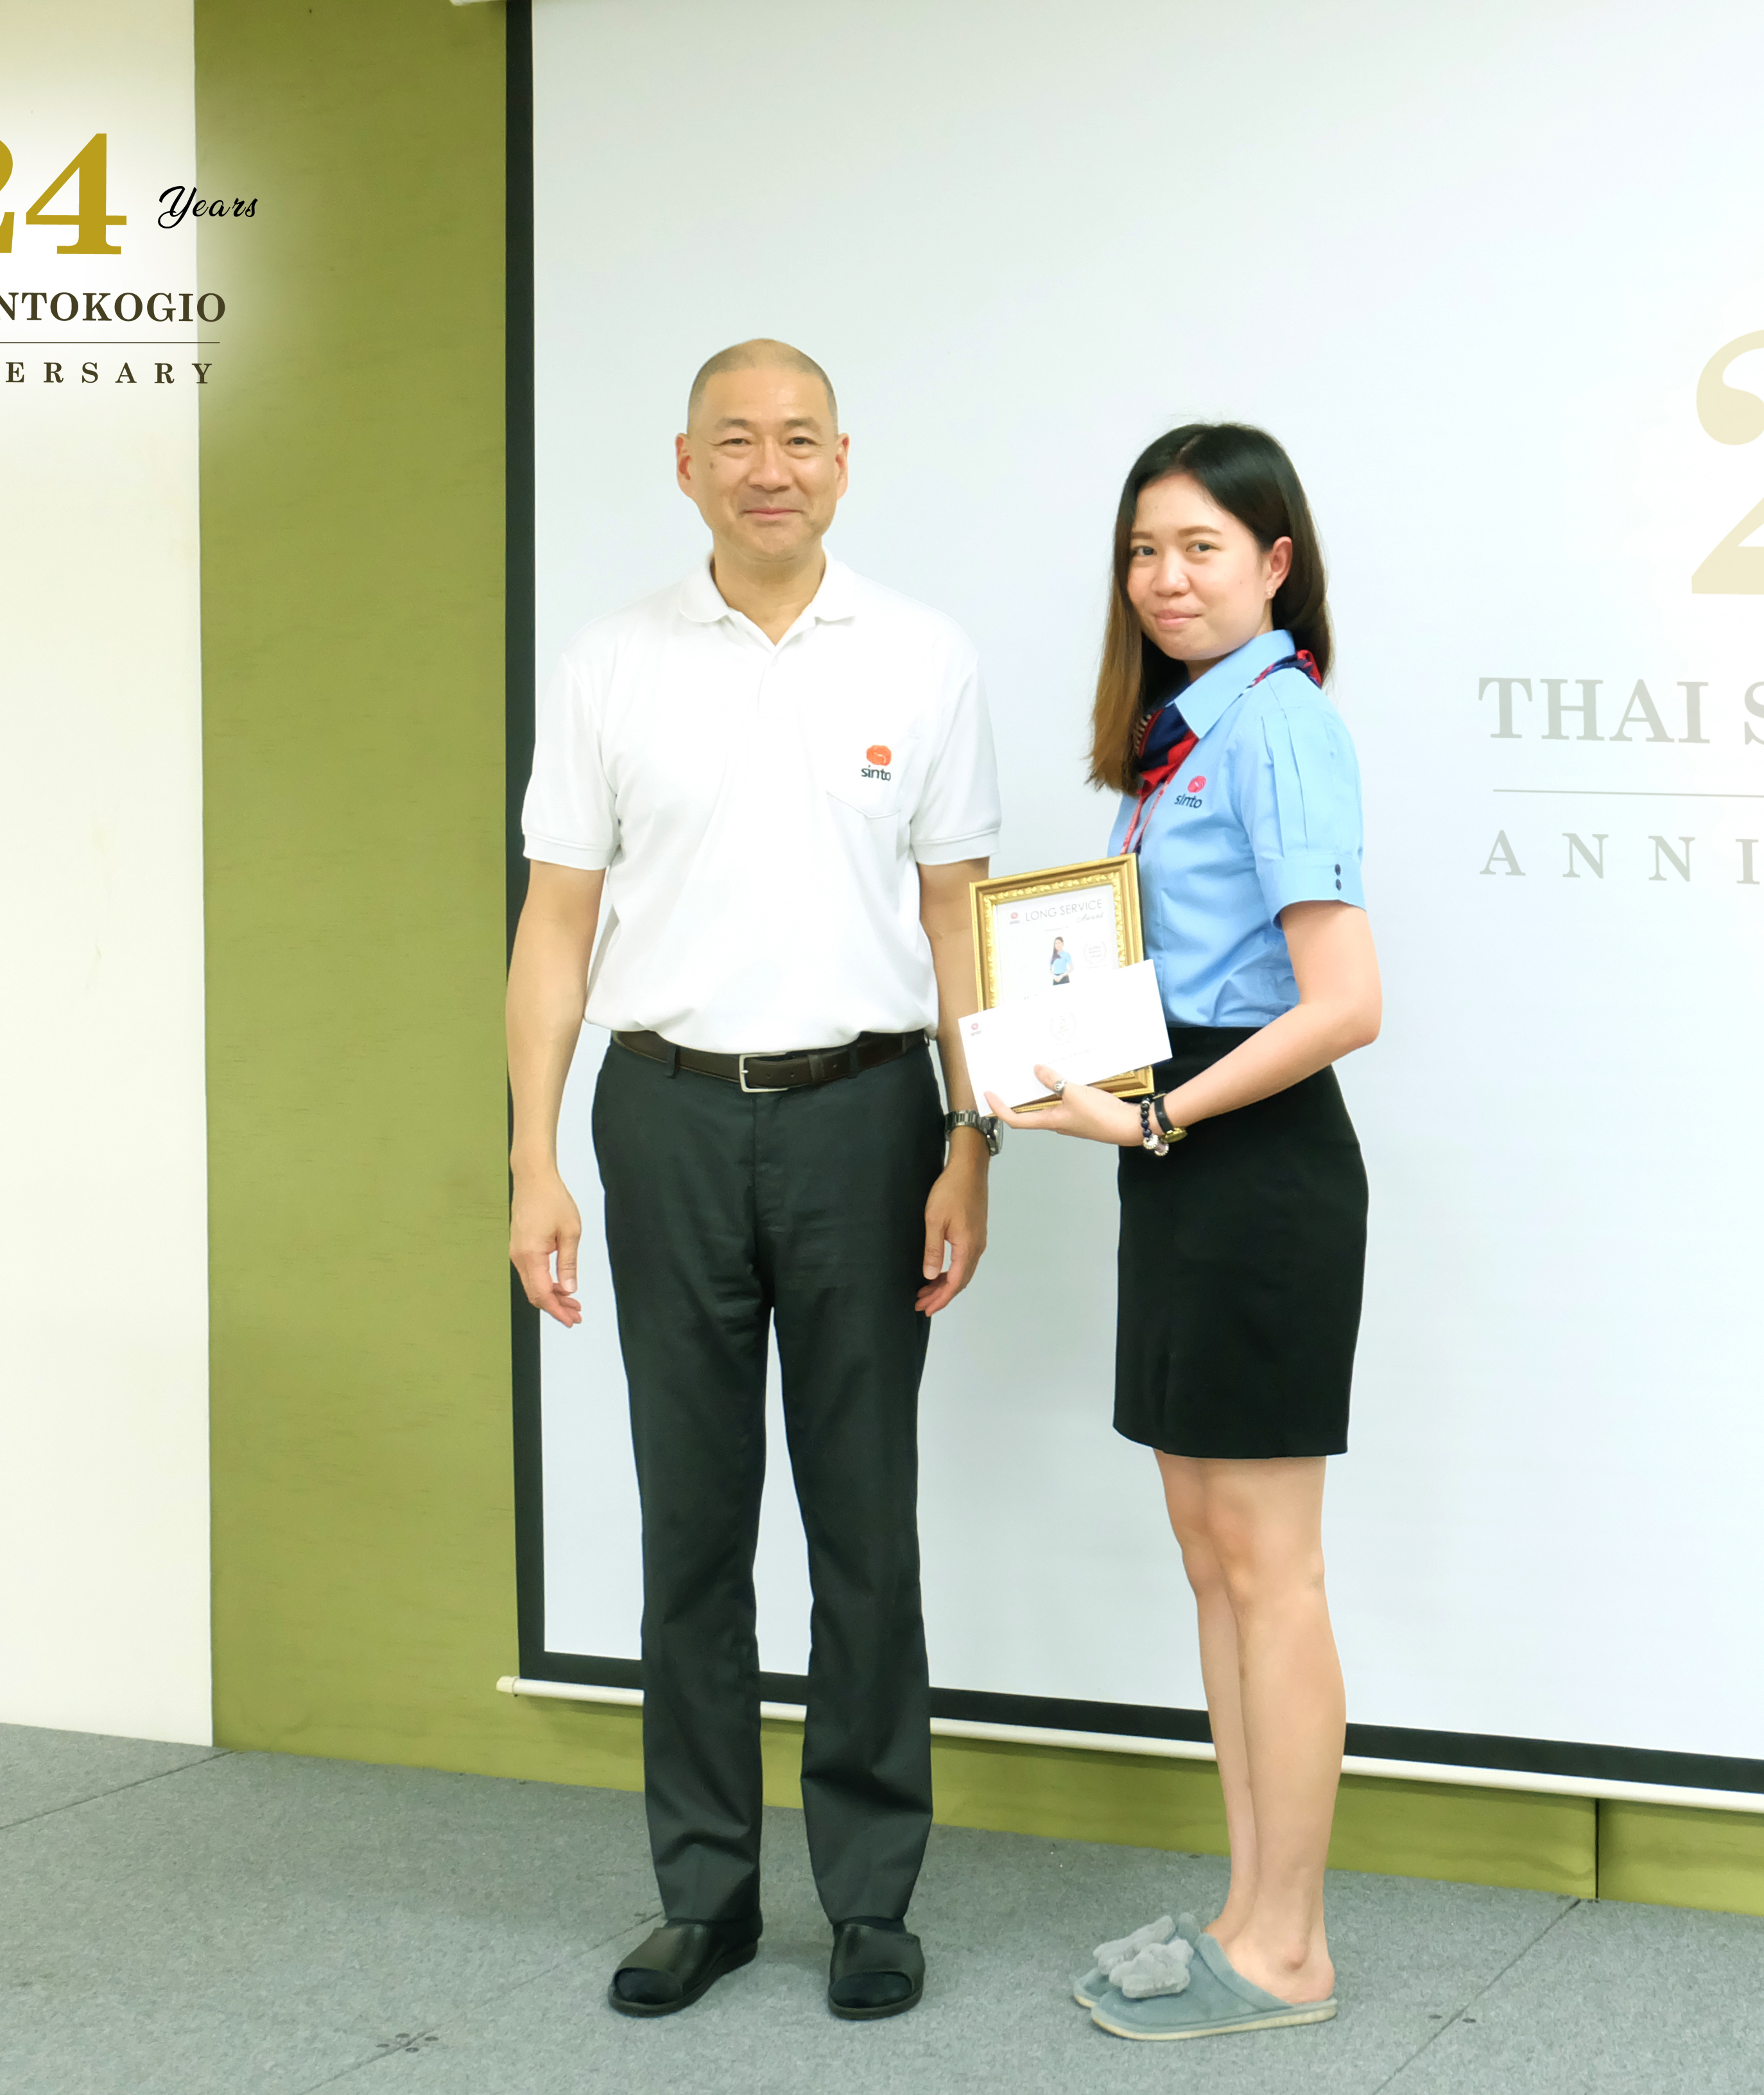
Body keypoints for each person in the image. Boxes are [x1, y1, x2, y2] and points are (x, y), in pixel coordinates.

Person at [506, 339, 1007, 2026]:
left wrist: (970, 1139)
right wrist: (533, 1155)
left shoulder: (924, 657)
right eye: (737, 440)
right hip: (664, 1121)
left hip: (868, 1122)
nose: (769, 467)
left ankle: (870, 1900)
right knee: (693, 1521)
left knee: (864, 1521)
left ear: (844, 462)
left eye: (799, 439)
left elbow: (959, 919)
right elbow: (555, 924)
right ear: (685, 465)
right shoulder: (610, 662)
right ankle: (705, 1896)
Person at [986, 423, 1378, 2041]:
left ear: (1275, 564)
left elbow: (1345, 1002)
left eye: (1202, 547)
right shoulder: (1182, 737)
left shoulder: (1281, 724)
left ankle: (1291, 1949)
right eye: (1144, 550)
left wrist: (1159, 1118)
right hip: (1188, 1158)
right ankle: (1246, 1913)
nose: (1166, 578)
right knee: (1214, 1564)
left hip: (1253, 1165)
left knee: (1270, 1573)